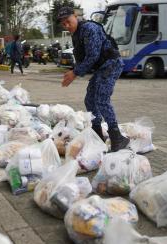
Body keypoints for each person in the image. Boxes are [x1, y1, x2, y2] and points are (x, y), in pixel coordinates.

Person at [58, 7, 129, 152]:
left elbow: (93, 56)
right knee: (89, 100)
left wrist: (74, 73)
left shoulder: (90, 28)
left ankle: (117, 137)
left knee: (101, 99)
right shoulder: (76, 34)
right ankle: (97, 134)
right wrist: (75, 71)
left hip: (111, 64)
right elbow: (82, 56)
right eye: (63, 24)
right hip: (101, 68)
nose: (66, 25)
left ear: (75, 16)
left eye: (68, 21)